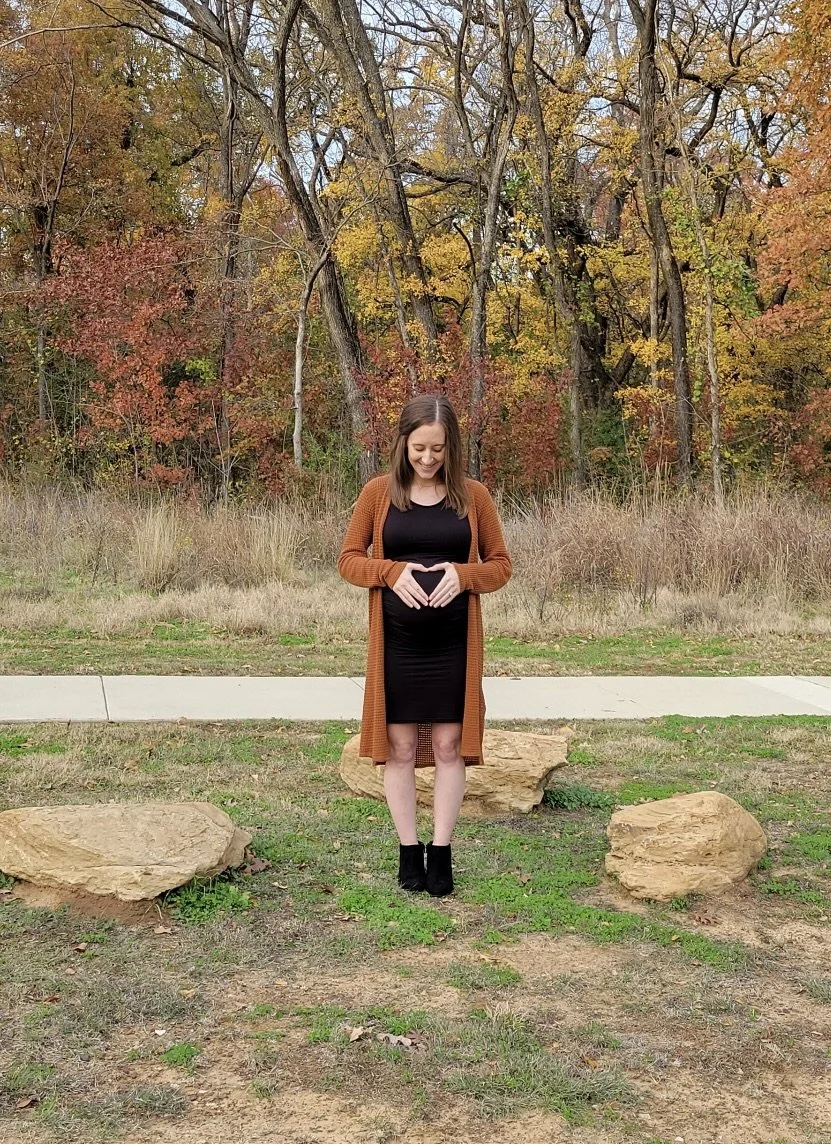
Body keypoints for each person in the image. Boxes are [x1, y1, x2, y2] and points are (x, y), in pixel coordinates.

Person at [337, 394, 511, 896]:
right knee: (399, 748)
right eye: (419, 449)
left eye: (438, 449)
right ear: (403, 444)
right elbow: (349, 559)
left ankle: (442, 852)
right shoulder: (377, 494)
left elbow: (501, 565)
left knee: (450, 745)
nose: (429, 459)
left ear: (451, 446)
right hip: (397, 647)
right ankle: (408, 851)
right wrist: (389, 572)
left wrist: (464, 574)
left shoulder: (474, 496)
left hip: (454, 646)